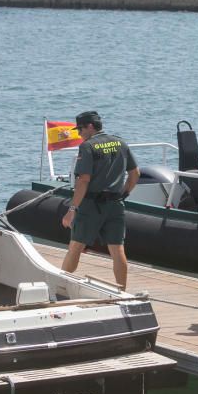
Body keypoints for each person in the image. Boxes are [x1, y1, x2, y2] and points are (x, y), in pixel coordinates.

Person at [61, 111, 140, 289]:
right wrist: (123, 195)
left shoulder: (88, 147)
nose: (79, 134)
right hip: (115, 204)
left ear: (90, 126)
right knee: (117, 249)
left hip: (91, 205)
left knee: (75, 247)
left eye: (80, 129)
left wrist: (72, 209)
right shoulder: (120, 143)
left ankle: (61, 285)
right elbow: (135, 174)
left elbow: (84, 180)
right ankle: (121, 291)